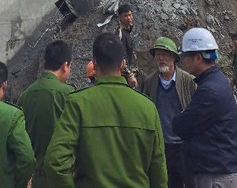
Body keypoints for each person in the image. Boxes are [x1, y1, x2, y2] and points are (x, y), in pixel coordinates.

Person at [44, 33, 168, 187]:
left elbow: (55, 161)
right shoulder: (148, 108)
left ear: (94, 63)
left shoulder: (78, 103)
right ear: (123, 64)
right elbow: (158, 169)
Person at [172, 28, 237, 188]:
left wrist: (181, 116)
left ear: (197, 58)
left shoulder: (209, 90)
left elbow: (181, 126)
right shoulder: (218, 81)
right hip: (220, 172)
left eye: (186, 57)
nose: (185, 62)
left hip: (214, 177)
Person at [17, 40, 73, 188]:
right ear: (65, 66)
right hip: (63, 177)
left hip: (35, 178)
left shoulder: (25, 95)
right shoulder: (70, 95)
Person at [143, 37, 196, 188]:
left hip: (184, 145)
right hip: (161, 146)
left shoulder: (189, 81)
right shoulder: (150, 82)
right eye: (158, 55)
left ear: (174, 58)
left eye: (165, 55)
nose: (161, 59)